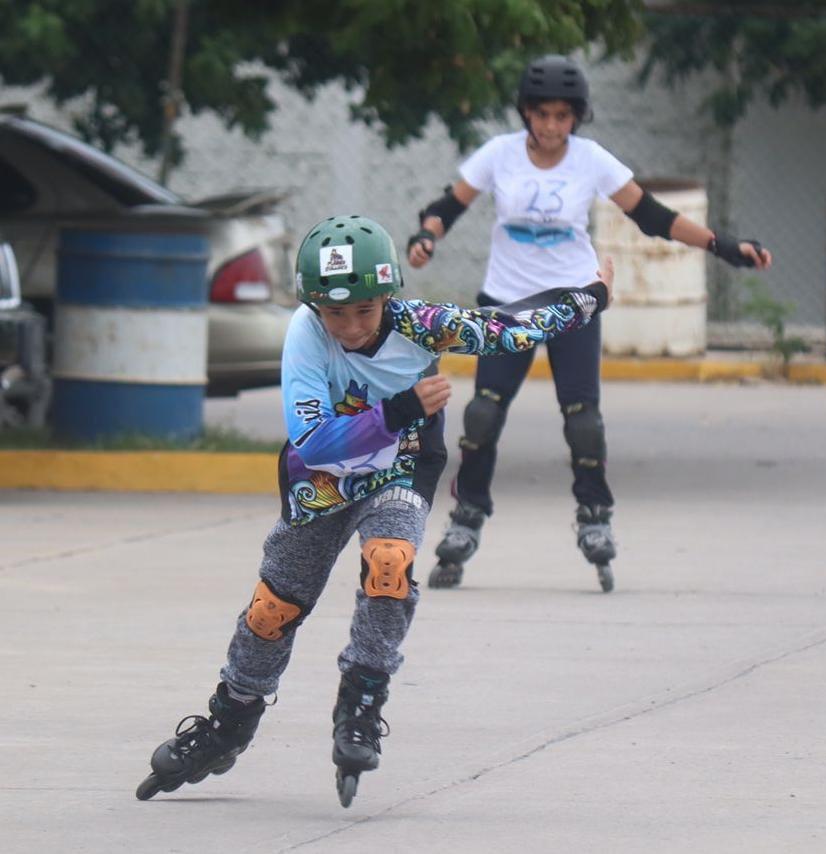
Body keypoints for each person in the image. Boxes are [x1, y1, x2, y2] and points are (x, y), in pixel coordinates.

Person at [136, 214, 613, 807]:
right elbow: (310, 441)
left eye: (366, 310)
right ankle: (230, 717)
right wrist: (400, 408)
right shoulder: (305, 334)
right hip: (324, 478)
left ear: (389, 295)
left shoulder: (423, 327)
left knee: (389, 565)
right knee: (272, 609)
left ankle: (361, 700)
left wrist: (593, 296)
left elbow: (514, 331)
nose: (352, 327)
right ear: (314, 306)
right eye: (336, 313)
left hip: (400, 466)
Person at [408, 54, 774, 593]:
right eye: (541, 114)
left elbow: (652, 215)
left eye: (562, 116)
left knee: (583, 418)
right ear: (526, 113)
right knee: (483, 416)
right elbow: (447, 205)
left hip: (575, 301)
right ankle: (467, 518)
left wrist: (724, 246)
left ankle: (594, 514)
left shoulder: (590, 160)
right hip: (508, 304)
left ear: (577, 116)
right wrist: (428, 237)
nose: (552, 127)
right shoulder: (500, 155)